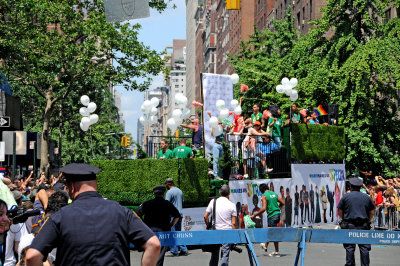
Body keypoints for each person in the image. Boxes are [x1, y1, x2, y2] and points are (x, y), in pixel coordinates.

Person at [26, 163, 160, 266]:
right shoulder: (121, 212)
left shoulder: (60, 217)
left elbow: (32, 256)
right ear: (95, 185)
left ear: (72, 188)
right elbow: (154, 244)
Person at [136, 185, 181, 266]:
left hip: (149, 232)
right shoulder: (168, 204)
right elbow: (177, 216)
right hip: (164, 232)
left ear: (154, 193)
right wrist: (171, 225)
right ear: (163, 193)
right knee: (160, 255)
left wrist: (143, 225)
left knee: (148, 251)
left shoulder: (147, 204)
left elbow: (136, 214)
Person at [337, 178, 375, 266]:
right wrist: (368, 220)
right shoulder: (366, 197)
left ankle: (350, 264)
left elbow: (339, 211)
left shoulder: (346, 197)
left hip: (349, 225)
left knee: (350, 248)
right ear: (360, 187)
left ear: (351, 186)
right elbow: (372, 211)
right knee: (364, 248)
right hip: (363, 225)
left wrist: (344, 219)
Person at [204, 185, 237, 266]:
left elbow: (205, 216)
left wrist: (208, 225)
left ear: (219, 192)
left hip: (215, 231)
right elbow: (233, 223)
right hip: (227, 232)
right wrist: (234, 238)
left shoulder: (213, 201)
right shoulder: (232, 205)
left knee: (214, 255)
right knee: (225, 255)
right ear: (229, 193)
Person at [253, 183, 284, 257]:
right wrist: (277, 208)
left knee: (273, 233)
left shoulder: (264, 196)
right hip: (277, 214)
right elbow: (282, 202)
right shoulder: (274, 193)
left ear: (261, 190)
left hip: (272, 216)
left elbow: (263, 208)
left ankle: (277, 252)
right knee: (270, 231)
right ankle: (265, 246)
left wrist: (255, 215)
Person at [164, 178, 188, 256]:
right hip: (180, 214)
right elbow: (183, 201)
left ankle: (174, 251)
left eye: (166, 184)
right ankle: (183, 249)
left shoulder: (169, 192)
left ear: (168, 184)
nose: (165, 185)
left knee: (172, 233)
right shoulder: (179, 191)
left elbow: (166, 204)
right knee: (179, 232)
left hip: (172, 216)